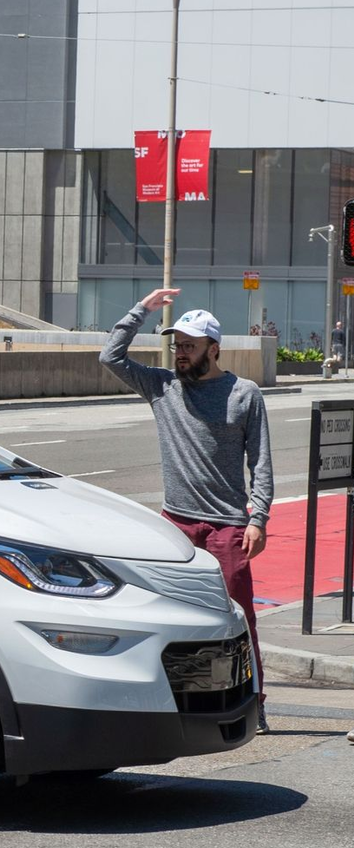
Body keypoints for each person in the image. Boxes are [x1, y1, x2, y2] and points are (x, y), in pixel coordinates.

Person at [100, 289, 274, 734]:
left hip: (228, 527)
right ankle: (179, 700)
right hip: (175, 525)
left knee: (240, 618)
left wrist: (258, 520)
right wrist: (142, 309)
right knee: (171, 619)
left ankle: (256, 701)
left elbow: (262, 461)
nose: (180, 353)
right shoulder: (162, 387)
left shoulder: (243, 394)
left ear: (213, 349)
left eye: (189, 345)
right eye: (177, 345)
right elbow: (111, 356)